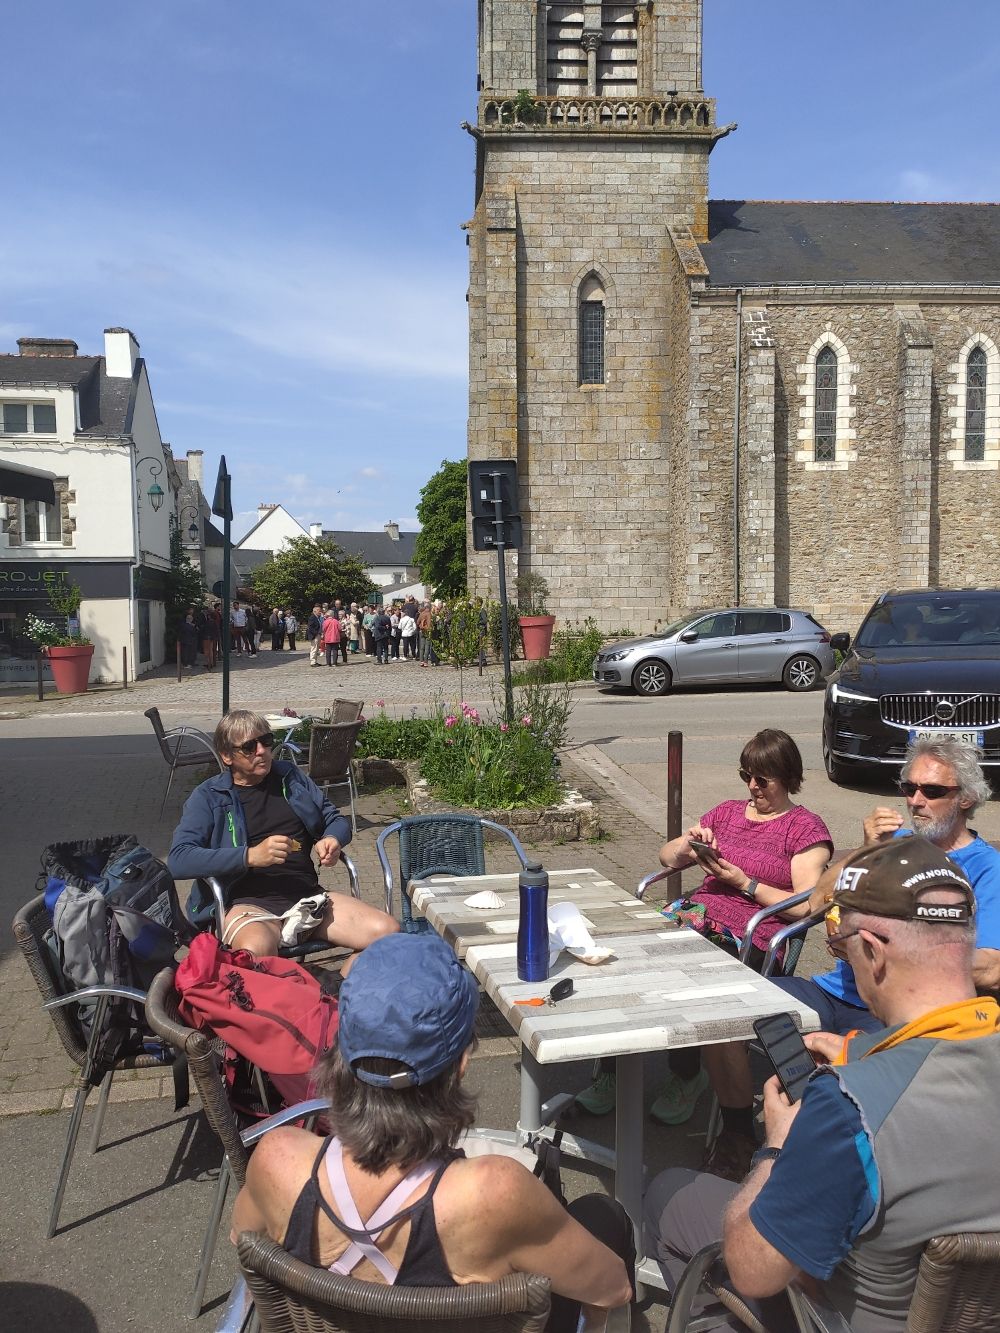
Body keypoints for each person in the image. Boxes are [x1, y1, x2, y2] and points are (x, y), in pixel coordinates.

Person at [644, 836, 1000, 1333]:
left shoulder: (850, 1106)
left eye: (841, 947)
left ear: (872, 951)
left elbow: (754, 1271)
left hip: (840, 1316)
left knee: (670, 1194)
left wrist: (776, 1147)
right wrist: (861, 1052)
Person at [231, 932, 634, 1331]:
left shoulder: (277, 1159)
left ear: (341, 1053)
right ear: (460, 1065)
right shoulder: (495, 1192)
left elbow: (244, 1241)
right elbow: (613, 1289)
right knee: (603, 1215)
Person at [676, 733, 1000, 1186]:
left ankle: (818, 1154)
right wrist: (866, 851)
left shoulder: (985, 869)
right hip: (835, 989)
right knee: (725, 1010)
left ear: (966, 798)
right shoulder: (894, 842)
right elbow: (817, 901)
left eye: (932, 790)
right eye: (908, 787)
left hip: (896, 1012)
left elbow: (991, 967)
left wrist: (886, 950)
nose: (915, 801)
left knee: (838, 1068)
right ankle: (739, 1135)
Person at [575, 730, 832, 1172]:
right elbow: (665, 856)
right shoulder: (727, 813)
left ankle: (694, 1083)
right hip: (695, 916)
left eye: (763, 779)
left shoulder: (804, 828)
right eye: (746, 776)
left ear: (787, 777)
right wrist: (688, 846)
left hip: (751, 933)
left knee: (695, 986)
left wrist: (744, 883)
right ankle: (615, 1073)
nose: (752, 787)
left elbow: (806, 905)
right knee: (624, 963)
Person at [168, 709, 397, 959]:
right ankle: (290, 984)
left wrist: (332, 838)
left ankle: (337, 982)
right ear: (226, 756)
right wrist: (249, 856)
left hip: (307, 898)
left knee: (386, 933)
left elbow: (335, 820)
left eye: (266, 741)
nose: (261, 751)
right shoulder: (209, 796)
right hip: (247, 904)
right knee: (254, 954)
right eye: (249, 747)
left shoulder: (290, 778)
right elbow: (179, 859)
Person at [199, 605, 219, 671]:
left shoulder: (208, 623)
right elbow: (216, 630)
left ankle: (209, 663)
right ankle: (211, 663)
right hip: (212, 637)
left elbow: (204, 629)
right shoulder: (214, 622)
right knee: (211, 650)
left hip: (207, 637)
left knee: (207, 651)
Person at [417, 601, 433, 667]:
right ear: (429, 608)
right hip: (427, 631)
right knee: (427, 647)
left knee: (421, 647)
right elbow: (429, 624)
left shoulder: (422, 613)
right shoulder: (428, 614)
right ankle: (425, 662)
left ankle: (421, 661)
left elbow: (417, 622)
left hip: (421, 631)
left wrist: (421, 626)